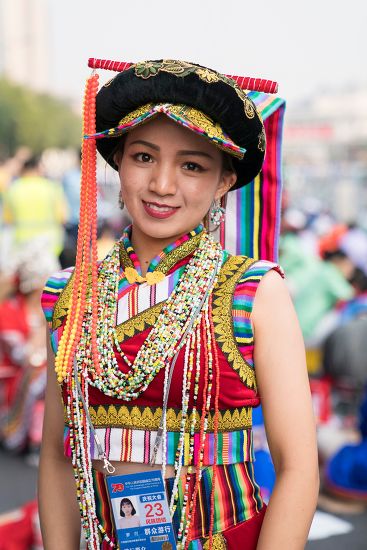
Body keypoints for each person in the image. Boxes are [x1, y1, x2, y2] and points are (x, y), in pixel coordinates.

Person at [38, 59, 318, 549]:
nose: (163, 185)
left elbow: (297, 468)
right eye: (144, 157)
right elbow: (60, 456)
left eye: (192, 165)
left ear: (224, 182)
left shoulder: (253, 293)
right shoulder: (68, 295)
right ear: (117, 161)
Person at [2, 154, 68, 258]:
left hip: (21, 245)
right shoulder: (52, 187)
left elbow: (7, 220)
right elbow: (63, 218)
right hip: (50, 245)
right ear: (38, 168)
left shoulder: (12, 189)